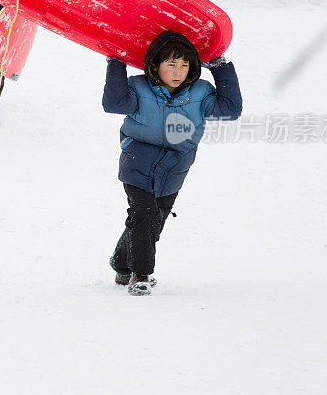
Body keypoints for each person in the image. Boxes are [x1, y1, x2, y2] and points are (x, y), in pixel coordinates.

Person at [102, 30, 243, 295]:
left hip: (175, 167)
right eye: (171, 64)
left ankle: (121, 263)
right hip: (137, 161)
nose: (178, 71)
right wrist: (116, 64)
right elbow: (115, 104)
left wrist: (221, 68)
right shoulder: (138, 86)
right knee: (142, 214)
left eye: (184, 65)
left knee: (153, 220)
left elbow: (230, 110)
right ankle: (141, 275)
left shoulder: (201, 93)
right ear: (155, 65)